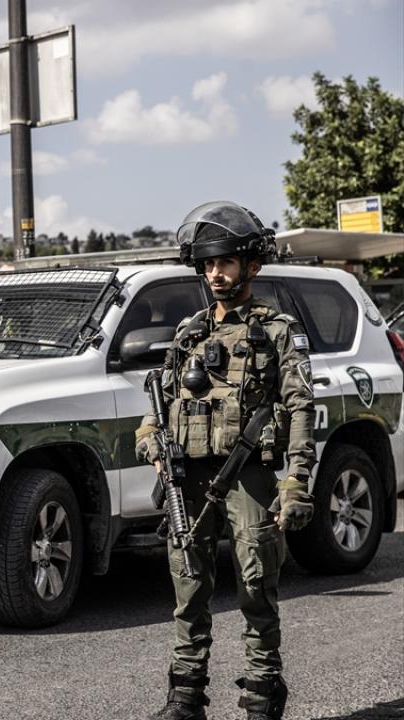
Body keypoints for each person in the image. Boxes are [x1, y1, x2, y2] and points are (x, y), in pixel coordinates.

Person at [135, 201, 315, 720]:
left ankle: (262, 695)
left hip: (248, 475)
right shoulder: (190, 332)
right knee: (188, 588)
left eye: (226, 263)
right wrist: (151, 442)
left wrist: (296, 481)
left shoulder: (275, 330)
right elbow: (161, 405)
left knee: (257, 585)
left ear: (251, 266)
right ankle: (185, 699)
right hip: (188, 477)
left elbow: (300, 407)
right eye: (209, 264)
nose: (216, 273)